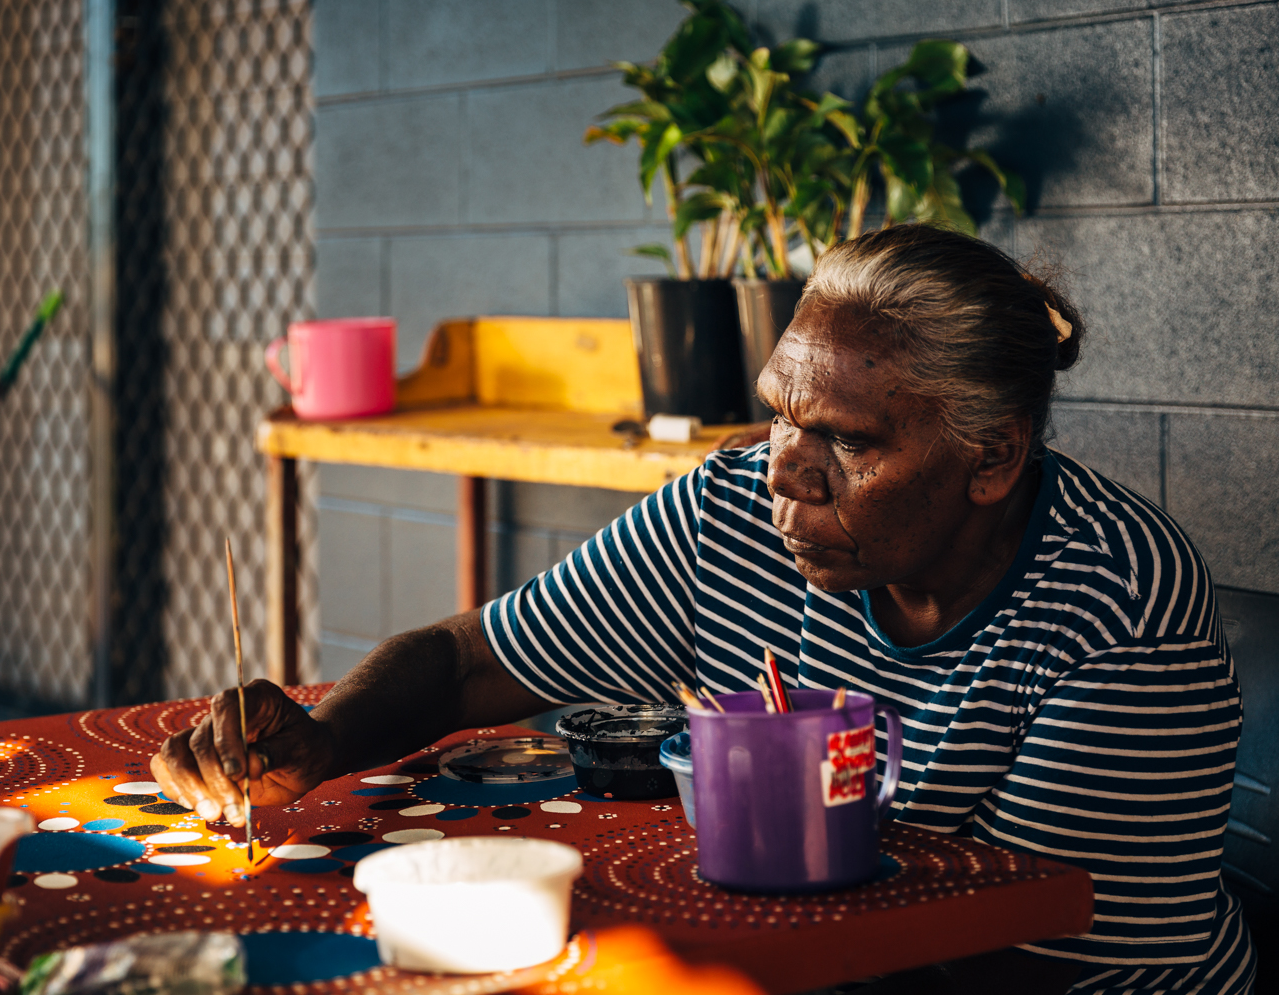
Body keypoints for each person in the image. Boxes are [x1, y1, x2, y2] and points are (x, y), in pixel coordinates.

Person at [153, 224, 1252, 995]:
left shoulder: (1117, 607)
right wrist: (323, 736)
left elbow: (1023, 955)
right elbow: (466, 660)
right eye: (780, 414)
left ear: (992, 456)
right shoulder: (730, 514)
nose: (786, 469)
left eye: (849, 441)